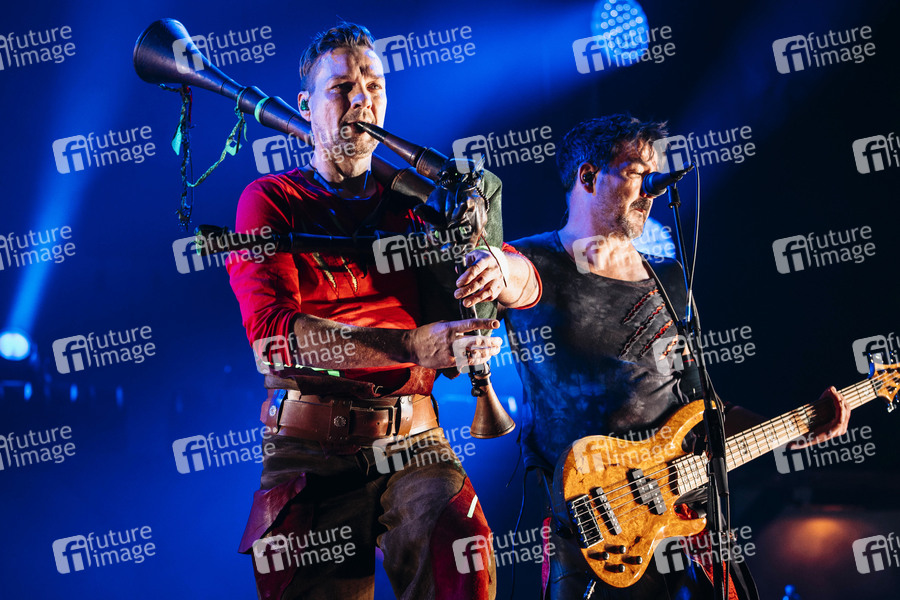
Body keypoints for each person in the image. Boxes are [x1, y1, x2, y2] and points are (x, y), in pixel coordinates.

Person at [225, 22, 541, 600]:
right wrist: (412, 345)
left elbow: (519, 281)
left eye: (373, 84)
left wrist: (500, 268)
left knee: (462, 560)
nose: (362, 99)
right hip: (310, 451)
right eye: (341, 87)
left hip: (415, 442)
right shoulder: (269, 200)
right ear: (306, 107)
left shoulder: (417, 205)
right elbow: (272, 337)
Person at [501, 114, 851, 599]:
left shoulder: (667, 277)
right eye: (636, 173)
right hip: (592, 527)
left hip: (684, 511)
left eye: (655, 174)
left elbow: (703, 406)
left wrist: (794, 430)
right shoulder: (528, 262)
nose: (653, 189)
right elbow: (500, 272)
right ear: (588, 176)